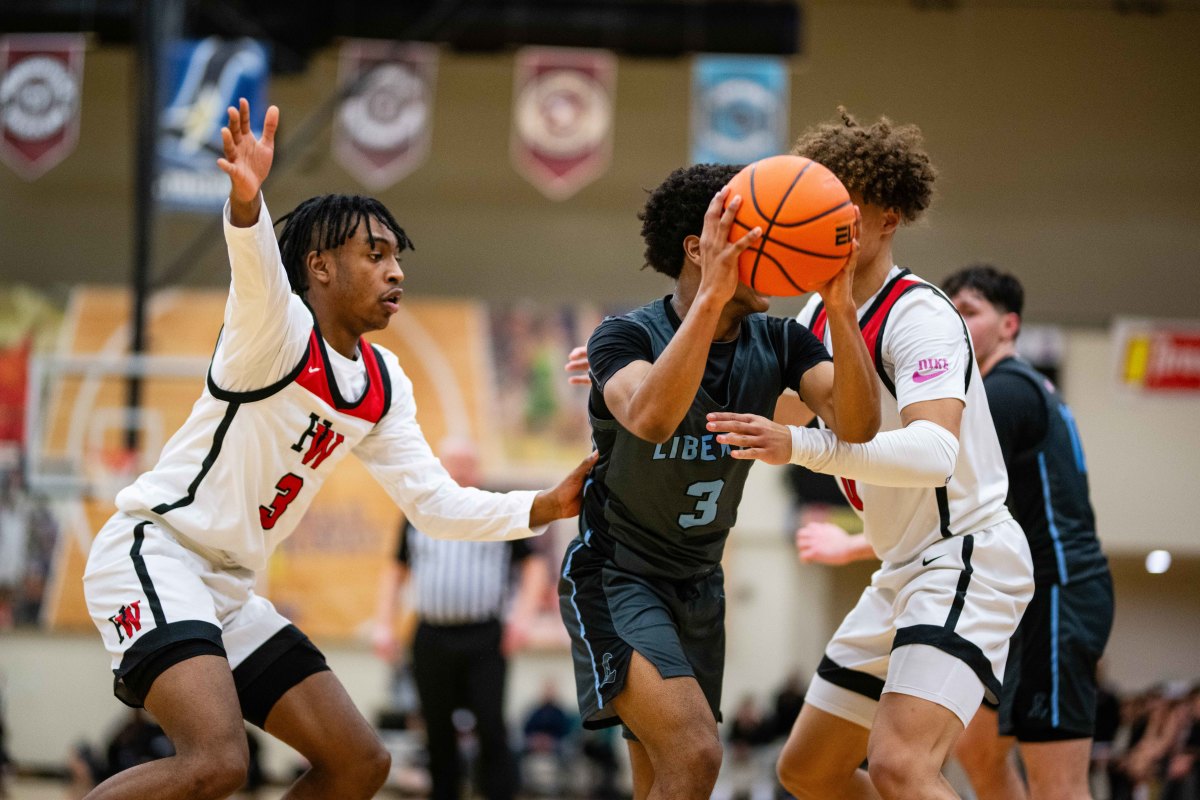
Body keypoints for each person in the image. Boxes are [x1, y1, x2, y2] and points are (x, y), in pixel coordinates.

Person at [80, 99, 593, 800]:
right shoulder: (276, 332)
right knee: (217, 762)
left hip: (228, 588)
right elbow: (256, 265)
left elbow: (435, 505)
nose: (395, 272)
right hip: (156, 551)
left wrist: (545, 505)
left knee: (359, 763)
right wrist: (247, 200)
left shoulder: (382, 383)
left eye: (396, 258)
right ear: (319, 267)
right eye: (374, 255)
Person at [706, 109, 1035, 800]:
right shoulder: (812, 320)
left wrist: (797, 445)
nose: (829, 216)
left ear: (888, 219)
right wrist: (640, 362)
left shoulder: (919, 314)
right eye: (820, 199)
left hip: (965, 555)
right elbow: (766, 404)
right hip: (900, 569)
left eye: (847, 202)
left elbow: (935, 453)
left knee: (900, 766)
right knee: (807, 771)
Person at [559, 162, 882, 799]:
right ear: (699, 248)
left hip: (700, 584)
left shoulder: (783, 341)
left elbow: (859, 427)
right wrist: (711, 294)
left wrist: (841, 309)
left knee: (670, 776)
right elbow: (651, 419)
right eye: (758, 237)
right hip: (617, 574)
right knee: (697, 753)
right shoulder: (623, 335)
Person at [941, 264, 1114, 800]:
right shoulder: (1019, 387)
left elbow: (943, 486)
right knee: (974, 748)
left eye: (969, 312)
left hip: (1059, 593)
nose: (955, 324)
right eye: (950, 313)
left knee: (1058, 785)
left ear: (1010, 325)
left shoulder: (1004, 390)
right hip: (1024, 600)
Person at [371, 437, 551, 800]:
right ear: (439, 466)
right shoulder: (417, 512)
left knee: (490, 725)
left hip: (484, 635)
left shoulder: (496, 510)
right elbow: (395, 571)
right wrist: (384, 624)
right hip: (431, 635)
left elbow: (535, 566)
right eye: (452, 462)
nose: (460, 470)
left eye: (467, 463)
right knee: (436, 729)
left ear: (477, 469)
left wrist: (523, 619)